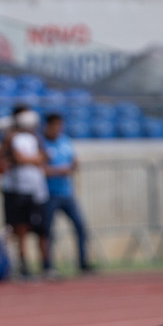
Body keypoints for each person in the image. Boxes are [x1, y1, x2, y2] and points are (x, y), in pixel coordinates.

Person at [0, 106, 50, 279]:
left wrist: (32, 159)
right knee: (21, 229)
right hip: (19, 189)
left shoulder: (35, 137)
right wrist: (34, 159)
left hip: (37, 190)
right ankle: (23, 266)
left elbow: (46, 155)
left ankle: (46, 265)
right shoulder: (11, 137)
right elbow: (17, 158)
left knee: (42, 229)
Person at [42, 113, 94, 275]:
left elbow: (73, 161)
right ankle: (48, 265)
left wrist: (73, 165)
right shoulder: (41, 143)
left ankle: (83, 262)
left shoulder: (65, 140)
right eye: (55, 125)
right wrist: (59, 170)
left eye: (60, 125)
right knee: (48, 231)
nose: (58, 129)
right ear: (48, 126)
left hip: (66, 193)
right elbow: (40, 169)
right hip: (49, 194)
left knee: (80, 226)